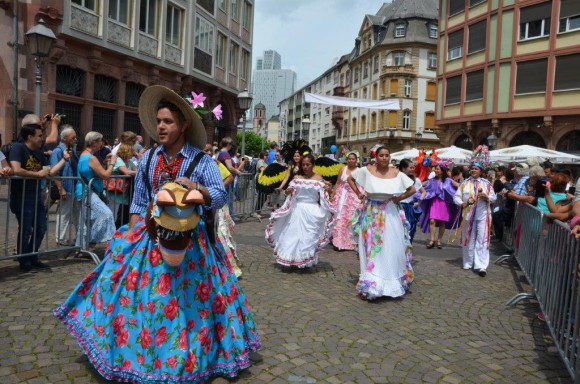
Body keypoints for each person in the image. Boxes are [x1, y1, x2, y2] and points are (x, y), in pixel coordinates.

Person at [54, 85, 260, 383]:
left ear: (183, 125)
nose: (161, 127)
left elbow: (220, 195)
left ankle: (192, 355)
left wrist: (198, 190)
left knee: (189, 305)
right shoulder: (149, 158)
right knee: (139, 296)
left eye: (168, 122)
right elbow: (139, 199)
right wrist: (134, 231)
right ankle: (139, 355)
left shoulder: (201, 161)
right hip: (150, 238)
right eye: (159, 121)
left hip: (192, 244)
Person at [347, 146, 415, 300]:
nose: (384, 158)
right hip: (371, 211)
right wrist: (358, 193)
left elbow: (412, 189)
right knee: (371, 245)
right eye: (381, 155)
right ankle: (372, 281)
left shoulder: (396, 173)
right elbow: (351, 178)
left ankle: (390, 280)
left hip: (390, 212)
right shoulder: (367, 170)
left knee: (391, 245)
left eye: (386, 155)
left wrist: (399, 198)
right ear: (376, 157)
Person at [9, 123, 70, 271]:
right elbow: (16, 169)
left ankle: (32, 256)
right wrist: (37, 174)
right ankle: (24, 260)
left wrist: (64, 160)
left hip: (36, 195)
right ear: (30, 137)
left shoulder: (39, 152)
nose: (42, 139)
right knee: (26, 229)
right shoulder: (18, 148)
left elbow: (48, 172)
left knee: (41, 227)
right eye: (40, 136)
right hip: (21, 196)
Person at [266, 154, 336, 268]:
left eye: (308, 165)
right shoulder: (297, 178)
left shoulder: (319, 179)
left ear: (313, 165)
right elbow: (289, 192)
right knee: (293, 236)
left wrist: (329, 190)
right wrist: (288, 192)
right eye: (303, 165)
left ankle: (305, 260)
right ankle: (291, 260)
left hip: (313, 211)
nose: (305, 167)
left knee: (309, 237)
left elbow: (326, 194)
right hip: (297, 209)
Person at [453, 163, 497, 277]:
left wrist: (486, 197)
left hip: (483, 214)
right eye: (472, 169)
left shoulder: (486, 184)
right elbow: (456, 196)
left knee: (482, 238)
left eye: (476, 169)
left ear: (481, 171)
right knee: (468, 238)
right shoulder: (464, 183)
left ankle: (481, 265)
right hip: (468, 214)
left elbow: (493, 197)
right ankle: (468, 262)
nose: (473, 170)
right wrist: (463, 203)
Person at [74, 131, 117, 247]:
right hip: (88, 191)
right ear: (94, 142)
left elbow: (92, 171)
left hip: (83, 191)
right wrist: (112, 163)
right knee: (106, 214)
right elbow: (105, 175)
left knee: (85, 221)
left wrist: (104, 162)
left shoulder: (84, 155)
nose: (101, 144)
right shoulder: (91, 158)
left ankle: (82, 247)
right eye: (100, 141)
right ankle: (92, 240)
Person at [50, 126, 79, 246]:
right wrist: (61, 189)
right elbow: (54, 171)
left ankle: (79, 237)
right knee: (64, 214)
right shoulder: (58, 151)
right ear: (65, 138)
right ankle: (60, 238)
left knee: (76, 214)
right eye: (73, 137)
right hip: (66, 187)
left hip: (74, 187)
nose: (75, 139)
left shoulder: (72, 150)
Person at [418, 161, 458, 249]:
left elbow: (459, 185)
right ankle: (432, 240)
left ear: (442, 170)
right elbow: (420, 184)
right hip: (434, 202)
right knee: (432, 220)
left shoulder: (448, 180)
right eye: (435, 169)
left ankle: (439, 240)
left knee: (442, 222)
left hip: (444, 202)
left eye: (437, 169)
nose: (435, 170)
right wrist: (411, 183)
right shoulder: (432, 180)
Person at [329, 152, 362, 251]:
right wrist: (333, 194)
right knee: (339, 217)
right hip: (341, 195)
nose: (351, 160)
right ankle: (338, 241)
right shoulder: (343, 169)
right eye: (349, 159)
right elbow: (338, 182)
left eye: (353, 159)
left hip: (353, 196)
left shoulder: (359, 171)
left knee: (350, 218)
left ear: (356, 160)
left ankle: (350, 241)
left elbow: (361, 185)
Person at [107, 142, 137, 228]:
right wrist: (139, 172)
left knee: (120, 214)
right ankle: (110, 233)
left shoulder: (130, 162)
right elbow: (126, 172)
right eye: (132, 151)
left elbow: (135, 170)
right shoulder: (118, 160)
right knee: (113, 213)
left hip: (124, 193)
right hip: (115, 191)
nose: (134, 153)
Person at [398, 159, 426, 244]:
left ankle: (407, 251)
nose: (412, 169)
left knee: (409, 230)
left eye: (413, 167)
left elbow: (423, 192)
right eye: (410, 167)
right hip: (398, 206)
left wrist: (419, 202)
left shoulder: (415, 180)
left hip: (409, 207)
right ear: (403, 168)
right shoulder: (396, 178)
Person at [218, 137, 242, 216]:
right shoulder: (225, 153)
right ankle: (230, 216)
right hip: (227, 179)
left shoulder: (220, 153)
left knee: (226, 198)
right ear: (228, 145)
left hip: (223, 178)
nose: (231, 146)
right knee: (228, 199)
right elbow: (230, 167)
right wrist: (237, 171)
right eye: (231, 144)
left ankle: (227, 216)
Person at [252, 151, 269, 218]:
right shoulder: (260, 161)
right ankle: (256, 212)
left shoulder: (265, 162)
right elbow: (262, 170)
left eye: (267, 155)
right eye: (265, 155)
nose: (267, 156)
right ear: (262, 155)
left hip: (264, 180)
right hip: (260, 179)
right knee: (261, 195)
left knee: (264, 196)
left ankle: (259, 211)